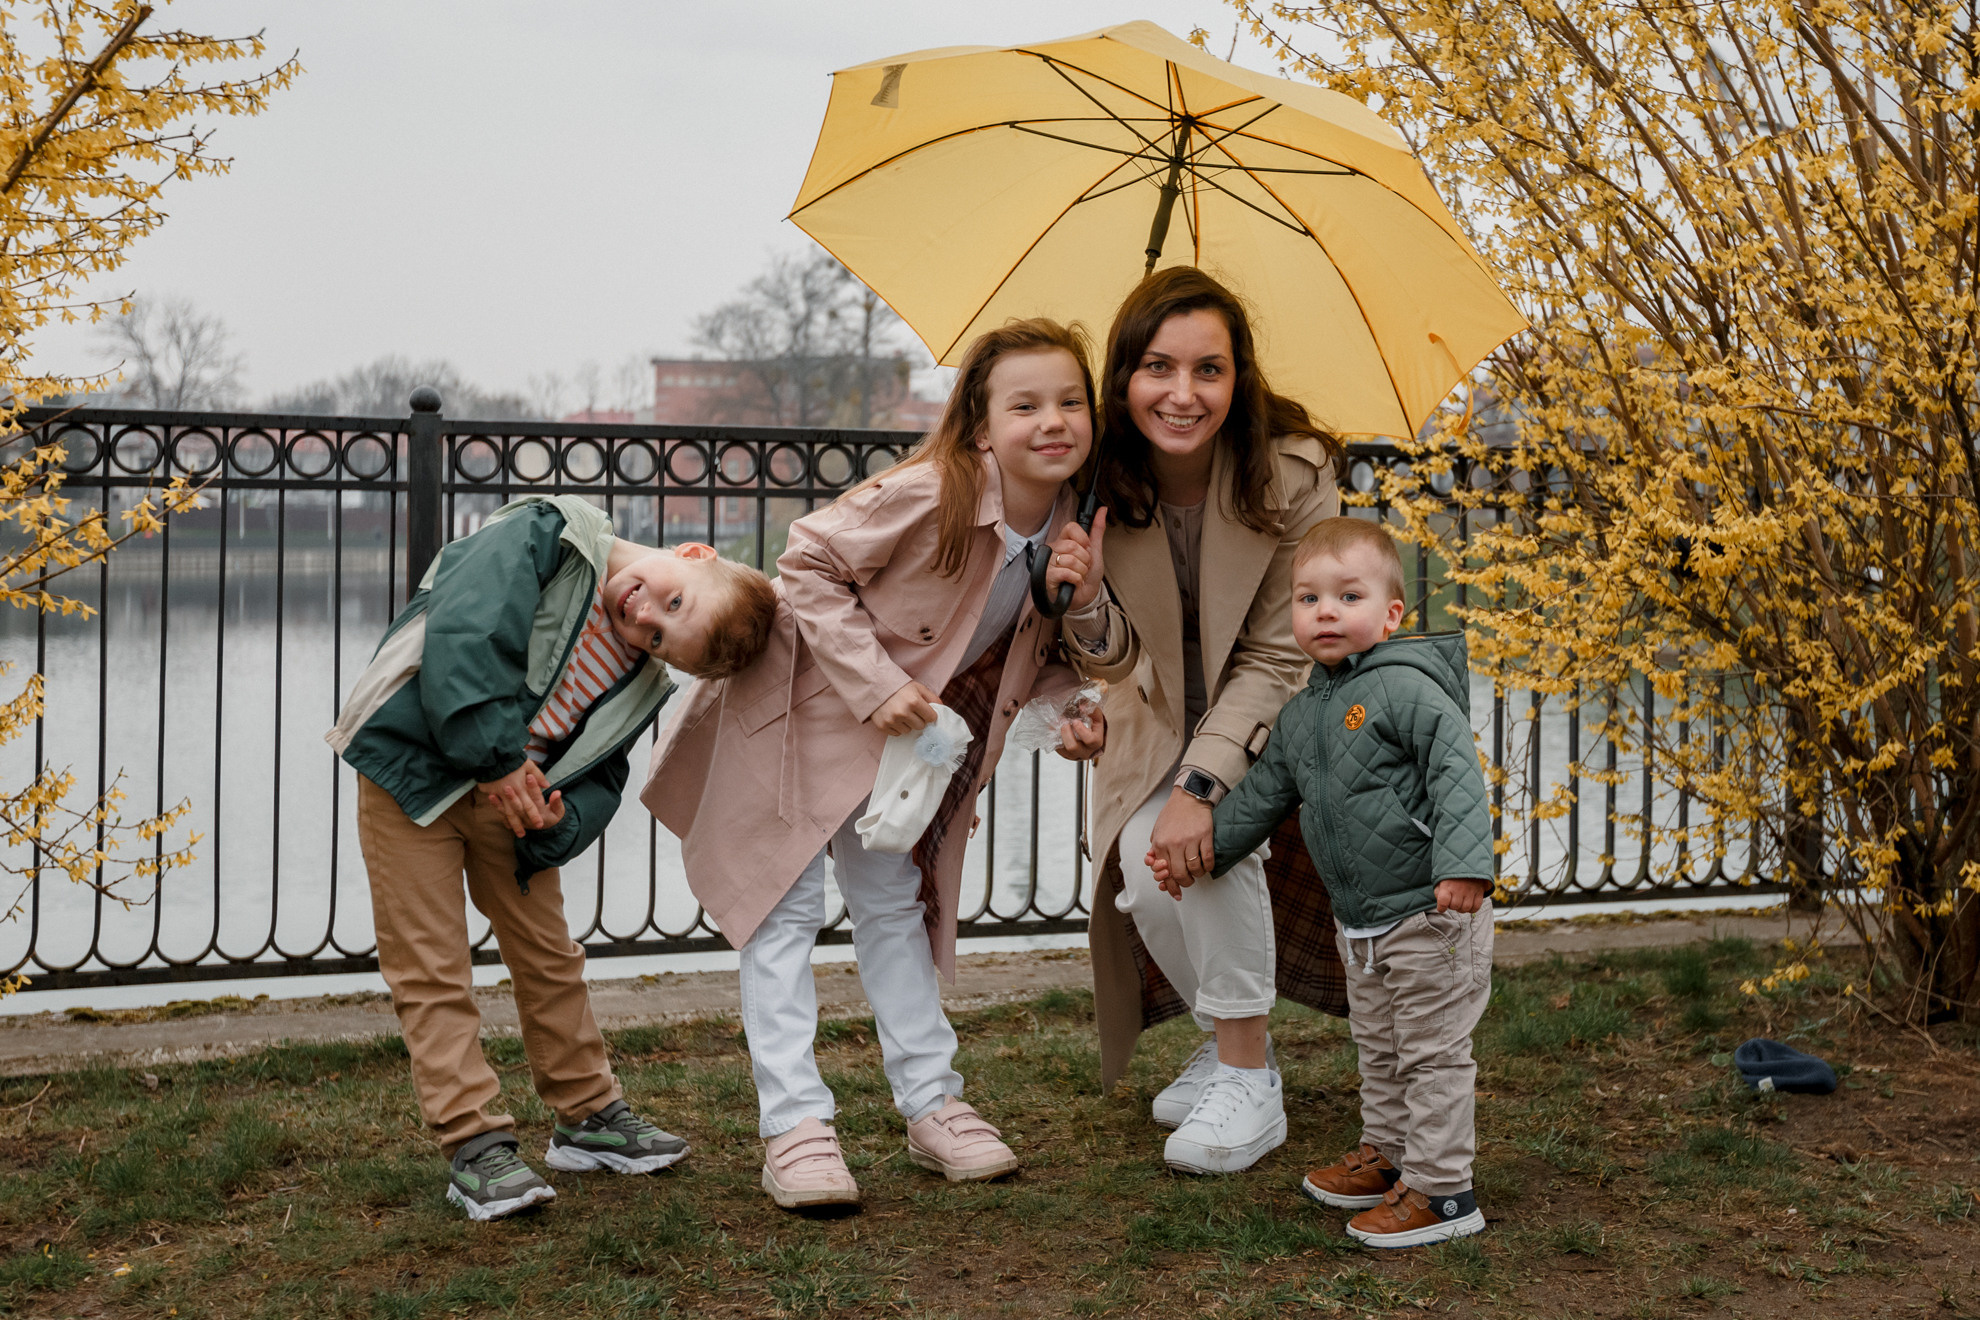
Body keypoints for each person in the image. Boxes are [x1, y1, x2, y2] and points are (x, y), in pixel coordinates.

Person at [643, 319, 1104, 1211]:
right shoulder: (935, 490)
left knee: (892, 902)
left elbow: (1025, 653)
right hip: (801, 714)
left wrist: (1079, 700)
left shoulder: (1074, 528)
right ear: (979, 425)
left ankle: (932, 1104)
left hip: (895, 753)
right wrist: (875, 683)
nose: (1053, 420)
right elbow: (808, 559)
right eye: (1026, 404)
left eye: (1071, 401)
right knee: (781, 915)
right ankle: (796, 1129)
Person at [327, 493, 777, 1221]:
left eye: (663, 637)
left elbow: (602, 771)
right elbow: (470, 631)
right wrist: (499, 759)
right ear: (695, 555)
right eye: (670, 600)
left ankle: (586, 1116)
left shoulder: (640, 675)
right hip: (414, 771)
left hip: (512, 804)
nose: (645, 620)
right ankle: (474, 1143)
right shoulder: (549, 535)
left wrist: (556, 825)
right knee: (431, 963)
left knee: (549, 956)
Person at [1052, 266, 1345, 1175]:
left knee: (1210, 846)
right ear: (1124, 378)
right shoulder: (1094, 475)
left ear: (1238, 376)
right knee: (1145, 879)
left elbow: (1279, 655)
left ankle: (1250, 1083)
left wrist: (1200, 784)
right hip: (1149, 727)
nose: (1183, 395)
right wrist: (1089, 603)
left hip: (1270, 729)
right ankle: (1224, 1044)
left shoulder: (1294, 472)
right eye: (1158, 368)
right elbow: (1105, 660)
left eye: (1208, 370)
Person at [1155, 516, 1493, 1247]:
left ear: (1391, 613)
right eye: (1308, 599)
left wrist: (1465, 865)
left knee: (1431, 1051)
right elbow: (1262, 797)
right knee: (1379, 1044)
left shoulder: (1407, 688)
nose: (1326, 612)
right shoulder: (1304, 713)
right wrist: (1206, 851)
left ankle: (1443, 1192)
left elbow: (1457, 772)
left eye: (1347, 596)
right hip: (1363, 920)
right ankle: (1391, 1154)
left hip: (1429, 910)